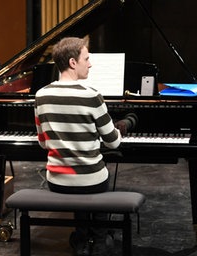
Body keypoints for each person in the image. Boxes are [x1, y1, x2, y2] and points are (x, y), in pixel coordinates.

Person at [34, 37, 136, 256]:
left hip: (57, 181)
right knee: (96, 176)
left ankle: (81, 239)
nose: (90, 64)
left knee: (80, 177)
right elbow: (114, 141)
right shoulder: (92, 96)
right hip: (91, 181)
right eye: (87, 59)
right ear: (73, 62)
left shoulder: (41, 96)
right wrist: (123, 126)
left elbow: (43, 142)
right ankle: (99, 240)